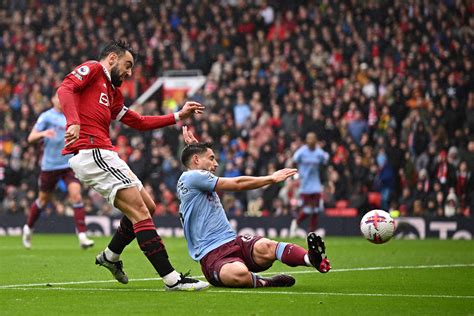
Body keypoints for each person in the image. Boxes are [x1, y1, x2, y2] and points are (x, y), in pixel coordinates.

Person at [57, 40, 208, 291]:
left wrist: (177, 116)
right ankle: (172, 279)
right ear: (113, 59)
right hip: (91, 150)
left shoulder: (113, 93)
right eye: (127, 66)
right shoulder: (94, 69)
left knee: (148, 205)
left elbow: (137, 121)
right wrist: (73, 122)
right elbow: (65, 88)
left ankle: (110, 256)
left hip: (106, 152)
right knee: (140, 212)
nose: (129, 73)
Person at [176, 127, 331, 288]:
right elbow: (237, 184)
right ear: (196, 160)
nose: (215, 164)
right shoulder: (192, 177)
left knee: (267, 246)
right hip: (212, 255)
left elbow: (193, 164)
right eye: (211, 158)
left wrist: (194, 148)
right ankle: (268, 282)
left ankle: (311, 259)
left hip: (233, 242)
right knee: (239, 273)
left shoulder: (190, 179)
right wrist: (270, 178)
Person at [22, 93, 94, 250]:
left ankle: (82, 236)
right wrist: (43, 134)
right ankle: (28, 228)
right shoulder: (46, 117)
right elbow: (30, 138)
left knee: (76, 195)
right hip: (49, 166)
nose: (61, 101)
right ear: (53, 100)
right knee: (43, 200)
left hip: (68, 164)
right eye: (58, 98)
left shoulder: (72, 116)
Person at [289, 132, 330, 237]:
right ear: (306, 141)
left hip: (316, 185)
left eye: (313, 139)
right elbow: (293, 162)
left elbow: (325, 161)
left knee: (316, 210)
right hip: (305, 186)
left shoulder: (319, 153)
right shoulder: (301, 153)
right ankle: (296, 223)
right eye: (309, 139)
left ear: (316, 141)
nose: (311, 141)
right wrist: (296, 175)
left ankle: (311, 232)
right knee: (308, 209)